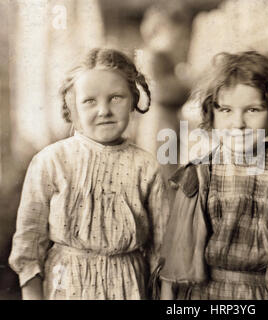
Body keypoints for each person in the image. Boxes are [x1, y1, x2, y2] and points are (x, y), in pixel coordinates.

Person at [8, 48, 169, 300]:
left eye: (116, 98)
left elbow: (163, 252)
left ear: (133, 100)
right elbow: (28, 247)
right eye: (90, 101)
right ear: (71, 108)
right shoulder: (51, 162)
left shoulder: (146, 167)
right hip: (65, 287)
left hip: (129, 288)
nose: (104, 110)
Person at [160, 51, 268, 300]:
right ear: (211, 114)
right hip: (206, 293)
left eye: (253, 110)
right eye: (226, 110)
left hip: (266, 293)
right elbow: (174, 260)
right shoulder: (199, 174)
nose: (238, 123)